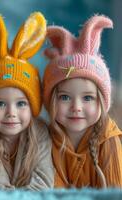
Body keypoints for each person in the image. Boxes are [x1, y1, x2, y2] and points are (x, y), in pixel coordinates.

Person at [0, 9, 54, 190]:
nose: (11, 113)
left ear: (33, 107)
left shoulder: (40, 133)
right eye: (0, 103)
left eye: (21, 103)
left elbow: (44, 179)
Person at [43, 15, 122, 188]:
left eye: (87, 98)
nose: (76, 108)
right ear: (51, 102)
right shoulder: (46, 140)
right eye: (64, 97)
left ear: (102, 102)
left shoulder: (108, 141)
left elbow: (115, 192)